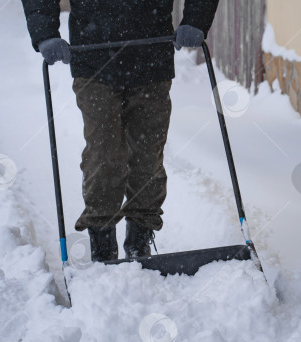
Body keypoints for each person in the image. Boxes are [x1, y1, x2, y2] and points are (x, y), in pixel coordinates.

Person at [21, 0, 220, 262]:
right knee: (104, 155)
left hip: (151, 57)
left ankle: (139, 241)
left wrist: (196, 19)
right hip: (94, 60)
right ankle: (103, 245)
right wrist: (45, 34)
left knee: (148, 156)